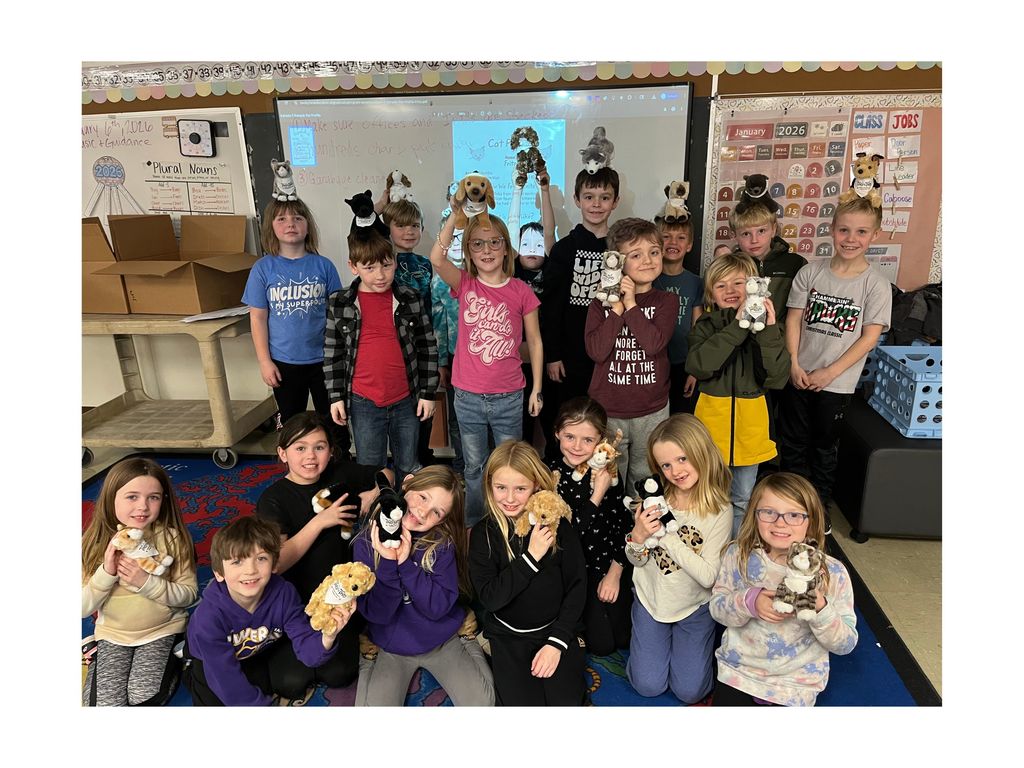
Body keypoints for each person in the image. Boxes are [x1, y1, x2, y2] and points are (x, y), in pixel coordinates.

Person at [779, 196, 892, 534]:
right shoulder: (810, 272)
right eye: (844, 230)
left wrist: (830, 372)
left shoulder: (876, 284)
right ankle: (791, 506)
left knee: (824, 449)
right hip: (799, 377)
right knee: (792, 444)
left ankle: (818, 508)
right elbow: (793, 320)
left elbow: (868, 338)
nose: (851, 239)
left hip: (836, 385)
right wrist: (794, 364)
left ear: (874, 235)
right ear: (832, 230)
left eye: (861, 232)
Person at [255, 412, 388, 690]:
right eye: (300, 448)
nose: (310, 456)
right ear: (282, 453)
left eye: (319, 447)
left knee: (340, 674)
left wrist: (374, 493)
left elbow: (386, 473)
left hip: (340, 595)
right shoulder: (273, 499)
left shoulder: (339, 473)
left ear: (331, 450)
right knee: (290, 682)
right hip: (295, 602)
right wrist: (320, 522)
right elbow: (276, 563)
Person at [430, 208, 543, 526]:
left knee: (510, 468)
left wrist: (537, 388)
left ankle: (510, 525)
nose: (487, 250)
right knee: (475, 467)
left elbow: (535, 342)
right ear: (468, 251)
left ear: (507, 247)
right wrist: (455, 216)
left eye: (495, 242)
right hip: (467, 397)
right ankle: (475, 527)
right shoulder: (465, 283)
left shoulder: (521, 291)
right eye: (477, 244)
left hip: (509, 396)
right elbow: (437, 258)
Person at [710, 472, 858, 706]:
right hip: (739, 674)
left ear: (811, 520)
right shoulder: (738, 555)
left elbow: (845, 644)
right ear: (754, 514)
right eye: (769, 512)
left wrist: (820, 608)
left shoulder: (833, 573)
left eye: (794, 515)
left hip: (796, 685)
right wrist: (750, 602)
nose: (780, 523)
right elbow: (717, 609)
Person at [352, 465, 494, 706]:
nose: (422, 512)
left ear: (443, 519)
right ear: (407, 484)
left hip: (442, 640)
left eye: (436, 512)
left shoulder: (441, 544)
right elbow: (378, 614)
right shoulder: (367, 542)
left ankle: (467, 636)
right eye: (423, 497)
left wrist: (406, 564)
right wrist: (388, 563)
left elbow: (436, 609)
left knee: (482, 703)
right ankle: (368, 656)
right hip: (391, 645)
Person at [183, 516, 354, 706]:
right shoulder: (208, 618)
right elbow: (224, 676)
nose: (250, 570)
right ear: (218, 573)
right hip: (209, 657)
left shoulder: (284, 593)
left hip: (255, 649)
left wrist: (327, 637)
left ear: (274, 565)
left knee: (282, 684)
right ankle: (188, 668)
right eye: (237, 562)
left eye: (261, 558)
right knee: (215, 701)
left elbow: (307, 648)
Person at [468, 441, 587, 705]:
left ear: (536, 486)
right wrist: (531, 557)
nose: (510, 499)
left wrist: (557, 642)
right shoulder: (482, 534)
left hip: (555, 629)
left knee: (564, 704)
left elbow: (577, 586)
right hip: (507, 635)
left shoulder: (558, 526)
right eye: (501, 487)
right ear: (489, 485)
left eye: (520, 489)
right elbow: (491, 598)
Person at [623, 414, 731, 704]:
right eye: (665, 465)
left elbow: (708, 577)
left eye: (682, 459)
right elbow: (636, 561)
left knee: (690, 691)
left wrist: (666, 537)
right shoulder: (653, 501)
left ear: (701, 452)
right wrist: (638, 537)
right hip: (652, 600)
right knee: (647, 685)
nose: (675, 471)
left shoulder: (719, 510)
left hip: (694, 607)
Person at [324, 229, 439, 488]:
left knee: (408, 465)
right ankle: (376, 511)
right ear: (353, 267)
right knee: (369, 468)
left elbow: (427, 347)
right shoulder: (339, 303)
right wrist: (335, 397)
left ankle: (407, 510)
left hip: (406, 400)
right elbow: (333, 353)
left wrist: (428, 393)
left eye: (386, 265)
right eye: (370, 268)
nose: (380, 275)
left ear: (395, 262)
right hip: (363, 402)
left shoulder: (410, 298)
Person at [686, 252, 790, 537]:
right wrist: (737, 327)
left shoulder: (768, 329)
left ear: (755, 287)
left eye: (738, 283)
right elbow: (698, 366)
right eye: (721, 285)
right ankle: (707, 548)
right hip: (710, 428)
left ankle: (733, 550)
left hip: (750, 430)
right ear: (711, 294)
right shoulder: (705, 325)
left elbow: (777, 377)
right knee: (707, 496)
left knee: (742, 498)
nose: (730, 290)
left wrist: (767, 331)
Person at [82, 458, 197, 706]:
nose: (143, 506)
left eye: (153, 497)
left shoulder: (172, 538)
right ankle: (96, 654)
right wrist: (107, 572)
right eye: (132, 497)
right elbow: (82, 607)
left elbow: (189, 595)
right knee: (105, 703)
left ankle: (178, 654)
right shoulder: (93, 544)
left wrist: (146, 582)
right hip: (113, 634)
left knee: (143, 696)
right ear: (111, 498)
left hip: (162, 629)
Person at [243, 198, 348, 454]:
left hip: (325, 360)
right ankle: (298, 468)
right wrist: (264, 361)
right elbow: (257, 318)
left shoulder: (323, 266)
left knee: (334, 421)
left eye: (297, 218)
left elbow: (338, 313)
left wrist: (342, 356)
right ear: (271, 227)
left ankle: (340, 465)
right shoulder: (263, 269)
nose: (290, 224)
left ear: (307, 225)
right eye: (282, 219)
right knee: (292, 424)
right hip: (284, 362)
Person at [585, 217, 678, 491]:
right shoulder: (600, 303)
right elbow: (597, 351)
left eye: (654, 252)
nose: (648, 260)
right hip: (608, 409)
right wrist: (616, 309)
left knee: (644, 480)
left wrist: (631, 303)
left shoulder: (667, 301)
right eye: (636, 255)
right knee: (608, 478)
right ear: (617, 261)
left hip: (652, 409)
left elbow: (653, 344)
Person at [546, 396, 632, 656]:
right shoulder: (551, 474)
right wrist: (597, 496)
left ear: (600, 441)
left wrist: (615, 573)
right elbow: (567, 534)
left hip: (608, 563)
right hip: (572, 571)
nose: (577, 446)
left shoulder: (607, 470)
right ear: (557, 433)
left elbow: (623, 524)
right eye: (570, 437)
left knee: (623, 638)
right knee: (601, 645)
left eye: (587, 440)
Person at [541, 166, 621, 404]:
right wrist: (553, 355)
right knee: (569, 415)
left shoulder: (620, 249)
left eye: (604, 198)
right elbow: (551, 308)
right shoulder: (563, 250)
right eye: (589, 197)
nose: (596, 204)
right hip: (569, 356)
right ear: (577, 200)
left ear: (615, 202)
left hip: (610, 355)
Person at [381, 196, 438, 468]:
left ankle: (422, 462)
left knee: (423, 409)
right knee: (400, 413)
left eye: (414, 225)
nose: (408, 231)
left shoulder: (425, 263)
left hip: (422, 345)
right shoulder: (383, 263)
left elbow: (430, 305)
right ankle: (403, 464)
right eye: (401, 225)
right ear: (388, 228)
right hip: (394, 346)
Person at [508, 166, 557, 454]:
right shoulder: (511, 270)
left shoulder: (551, 269)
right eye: (525, 243)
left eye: (537, 245)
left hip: (545, 360)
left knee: (550, 421)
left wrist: (544, 189)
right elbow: (512, 224)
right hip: (515, 365)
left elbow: (549, 231)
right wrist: (517, 189)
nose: (531, 249)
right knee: (521, 428)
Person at [728, 187, 806, 317]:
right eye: (746, 234)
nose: (754, 240)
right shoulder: (728, 267)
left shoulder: (796, 264)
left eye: (761, 231)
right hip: (738, 329)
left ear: (774, 229)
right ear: (734, 235)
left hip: (780, 330)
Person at [653, 216, 704, 415]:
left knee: (679, 418)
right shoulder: (647, 279)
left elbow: (698, 328)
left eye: (681, 238)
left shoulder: (696, 283)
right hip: (652, 364)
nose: (673, 242)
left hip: (683, 364)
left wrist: (695, 369)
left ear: (689, 245)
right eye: (666, 236)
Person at [430, 202, 466, 478]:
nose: (456, 244)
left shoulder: (482, 274)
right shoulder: (440, 281)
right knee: (457, 417)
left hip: (486, 360)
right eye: (451, 238)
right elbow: (440, 326)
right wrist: (442, 362)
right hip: (455, 359)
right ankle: (462, 469)